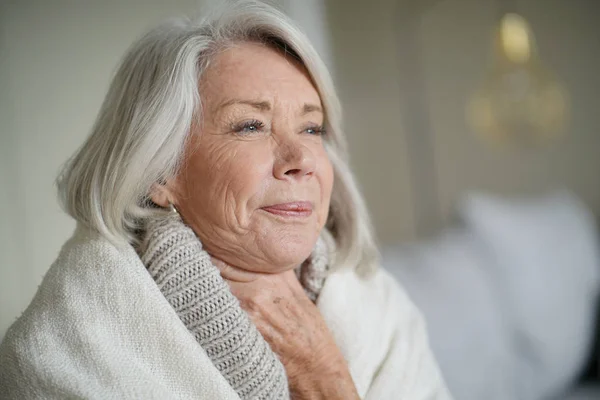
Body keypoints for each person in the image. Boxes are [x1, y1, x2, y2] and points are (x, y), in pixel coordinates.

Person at [0, 1, 451, 399]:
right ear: (161, 171)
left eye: (312, 128)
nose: (300, 160)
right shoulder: (65, 349)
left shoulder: (382, 307)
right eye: (251, 126)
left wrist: (325, 378)